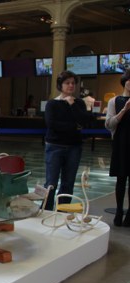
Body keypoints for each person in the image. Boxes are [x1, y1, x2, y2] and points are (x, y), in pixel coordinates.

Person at [43, 70, 93, 211]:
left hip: (74, 147)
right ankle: (45, 210)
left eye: (73, 83)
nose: (71, 85)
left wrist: (72, 105)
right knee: (51, 182)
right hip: (55, 146)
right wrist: (74, 126)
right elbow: (52, 124)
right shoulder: (52, 104)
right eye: (67, 83)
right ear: (60, 85)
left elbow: (84, 121)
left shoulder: (79, 103)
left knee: (68, 182)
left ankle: (63, 211)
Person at [105, 69, 130, 226]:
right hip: (121, 144)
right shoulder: (114, 101)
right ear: (124, 82)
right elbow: (109, 124)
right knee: (121, 178)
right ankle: (119, 210)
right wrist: (124, 109)